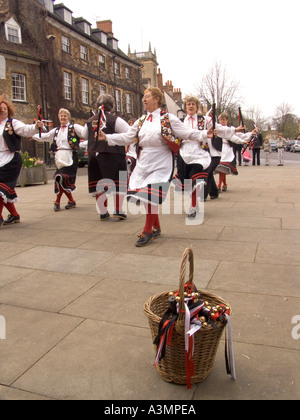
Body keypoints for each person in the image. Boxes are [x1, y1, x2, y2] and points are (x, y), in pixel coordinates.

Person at [97, 87, 214, 247]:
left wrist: (203, 134)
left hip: (161, 161)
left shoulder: (168, 119)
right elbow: (127, 137)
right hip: (144, 161)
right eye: (143, 97)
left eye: (147, 96)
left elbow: (187, 133)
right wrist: (107, 137)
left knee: (151, 194)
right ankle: (156, 226)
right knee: (145, 194)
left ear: (157, 99)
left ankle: (147, 230)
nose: (144, 99)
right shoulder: (141, 121)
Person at [84, 94, 129, 221]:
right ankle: (118, 210)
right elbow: (129, 132)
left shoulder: (90, 120)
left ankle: (103, 212)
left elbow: (84, 134)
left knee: (99, 182)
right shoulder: (116, 120)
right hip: (113, 155)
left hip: (94, 155)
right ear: (111, 106)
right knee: (118, 182)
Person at [0, 96, 44, 226]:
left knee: (1, 190)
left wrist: (35, 126)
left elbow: (25, 129)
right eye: (0, 109)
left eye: (5, 108)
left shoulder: (12, 123)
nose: (3, 110)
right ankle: (14, 215)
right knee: (5, 190)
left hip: (11, 159)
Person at [32, 108, 86, 211]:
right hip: (59, 158)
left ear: (68, 117)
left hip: (70, 156)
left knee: (60, 178)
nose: (63, 117)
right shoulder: (56, 130)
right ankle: (71, 201)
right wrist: (32, 135)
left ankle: (57, 201)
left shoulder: (74, 127)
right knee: (61, 180)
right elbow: (45, 136)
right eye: (61, 116)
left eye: (65, 116)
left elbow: (84, 133)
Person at [173, 96, 211, 217]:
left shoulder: (204, 120)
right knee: (188, 182)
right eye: (188, 104)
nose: (190, 106)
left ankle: (193, 206)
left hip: (199, 152)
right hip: (184, 153)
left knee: (197, 179)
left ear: (197, 106)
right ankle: (195, 203)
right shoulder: (180, 121)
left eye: (193, 104)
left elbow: (219, 128)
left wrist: (235, 130)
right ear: (185, 107)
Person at [215, 112, 255, 192]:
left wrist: (249, 135)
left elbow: (238, 135)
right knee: (221, 169)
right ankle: (224, 184)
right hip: (218, 149)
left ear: (227, 120)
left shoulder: (230, 129)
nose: (222, 121)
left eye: (224, 119)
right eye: (220, 119)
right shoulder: (217, 129)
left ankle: (219, 185)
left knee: (222, 167)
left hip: (227, 150)